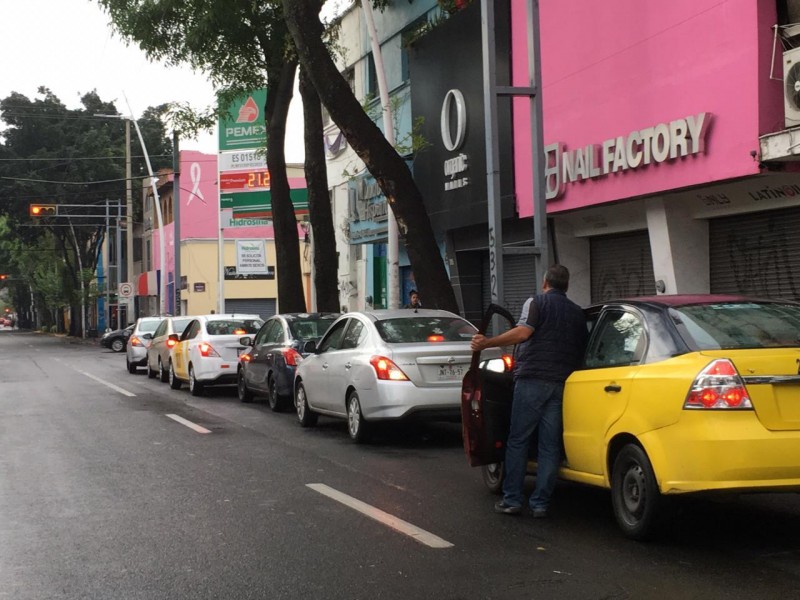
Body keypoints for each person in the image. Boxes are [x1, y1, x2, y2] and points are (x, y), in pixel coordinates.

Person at [470, 264, 587, 518]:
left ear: (545, 282)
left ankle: (512, 499)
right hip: (560, 384)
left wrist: (488, 342)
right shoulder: (577, 313)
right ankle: (540, 504)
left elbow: (523, 332)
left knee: (518, 439)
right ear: (566, 286)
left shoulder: (536, 303)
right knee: (549, 445)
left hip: (532, 379)